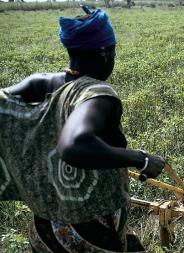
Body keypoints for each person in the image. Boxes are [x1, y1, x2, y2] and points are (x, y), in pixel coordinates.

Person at [0, 6, 165, 252]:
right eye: (113, 51)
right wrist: (140, 159)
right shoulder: (97, 94)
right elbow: (74, 144)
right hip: (88, 230)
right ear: (104, 53)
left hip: (44, 226)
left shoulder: (38, 83)